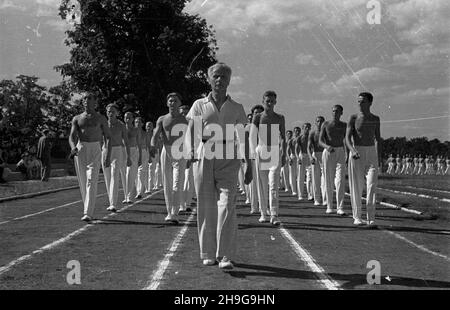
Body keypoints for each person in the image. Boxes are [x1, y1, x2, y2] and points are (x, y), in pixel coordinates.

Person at [186, 62, 252, 269]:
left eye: (224, 76)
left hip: (229, 155)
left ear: (229, 80)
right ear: (209, 79)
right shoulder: (199, 105)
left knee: (227, 204)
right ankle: (208, 253)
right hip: (204, 154)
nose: (219, 80)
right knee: (206, 206)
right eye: (216, 76)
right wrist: (189, 151)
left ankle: (225, 255)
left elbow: (243, 136)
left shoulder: (237, 108)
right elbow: (191, 131)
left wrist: (247, 162)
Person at [69, 92, 111, 222]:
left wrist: (107, 155)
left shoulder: (101, 118)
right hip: (81, 148)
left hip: (95, 148)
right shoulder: (77, 118)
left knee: (91, 179)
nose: (87, 101)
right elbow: (71, 136)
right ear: (82, 102)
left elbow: (108, 137)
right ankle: (86, 208)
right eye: (85, 99)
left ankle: (88, 212)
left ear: (95, 102)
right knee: (83, 180)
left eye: (90, 98)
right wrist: (72, 147)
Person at [250, 90, 286, 225]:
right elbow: (252, 136)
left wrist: (283, 154)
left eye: (272, 101)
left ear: (275, 102)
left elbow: (282, 137)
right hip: (261, 150)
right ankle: (263, 213)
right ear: (263, 102)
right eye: (267, 101)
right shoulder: (258, 117)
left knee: (273, 184)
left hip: (275, 151)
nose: (270, 103)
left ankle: (274, 214)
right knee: (262, 184)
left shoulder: (280, 117)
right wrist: (253, 153)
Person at [346, 92, 381, 227]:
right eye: (358, 101)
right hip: (357, 151)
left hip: (371, 152)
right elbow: (347, 138)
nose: (360, 104)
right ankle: (357, 217)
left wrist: (379, 158)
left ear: (370, 103)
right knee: (357, 185)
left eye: (363, 101)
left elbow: (378, 139)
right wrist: (353, 150)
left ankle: (371, 218)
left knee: (372, 185)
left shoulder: (376, 118)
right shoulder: (353, 118)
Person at [152, 92, 187, 224]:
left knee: (177, 183)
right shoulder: (162, 119)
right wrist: (152, 145)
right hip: (165, 151)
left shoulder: (185, 120)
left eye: (175, 101)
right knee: (167, 182)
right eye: (170, 101)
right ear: (167, 103)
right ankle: (169, 212)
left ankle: (175, 212)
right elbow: (155, 134)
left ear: (179, 103)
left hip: (180, 151)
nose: (172, 103)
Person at [102, 103, 130, 212]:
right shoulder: (103, 124)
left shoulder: (121, 125)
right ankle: (111, 201)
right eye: (109, 111)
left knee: (115, 175)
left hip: (117, 150)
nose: (110, 113)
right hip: (105, 150)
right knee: (107, 177)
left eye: (113, 111)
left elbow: (126, 142)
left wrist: (128, 157)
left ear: (117, 113)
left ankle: (113, 203)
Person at [319, 105, 347, 215]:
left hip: (340, 151)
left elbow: (347, 139)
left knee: (340, 180)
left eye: (337, 111)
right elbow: (320, 141)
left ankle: (340, 207)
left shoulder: (344, 125)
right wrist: (327, 147)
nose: (335, 113)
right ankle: (330, 206)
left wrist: (348, 153)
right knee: (328, 180)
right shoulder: (325, 124)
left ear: (341, 113)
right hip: (328, 152)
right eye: (333, 111)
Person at [248, 105, 264, 214]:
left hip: (265, 155)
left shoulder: (266, 125)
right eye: (255, 112)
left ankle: (264, 206)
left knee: (264, 182)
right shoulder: (247, 127)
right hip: (252, 155)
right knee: (253, 183)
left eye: (259, 112)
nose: (257, 114)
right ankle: (254, 206)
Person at [123, 112, 142, 203]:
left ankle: (129, 196)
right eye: (126, 117)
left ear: (132, 119)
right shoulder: (122, 128)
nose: (128, 119)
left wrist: (140, 157)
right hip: (122, 151)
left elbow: (139, 144)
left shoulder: (136, 130)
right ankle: (126, 196)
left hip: (134, 151)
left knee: (131, 174)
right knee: (124, 174)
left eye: (129, 118)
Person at [308, 116, 326, 206]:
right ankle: (317, 199)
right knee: (315, 178)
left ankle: (325, 199)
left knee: (325, 178)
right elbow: (308, 147)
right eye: (318, 121)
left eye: (321, 121)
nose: (320, 123)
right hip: (315, 155)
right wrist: (310, 157)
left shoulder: (326, 132)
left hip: (324, 155)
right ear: (315, 123)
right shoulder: (312, 133)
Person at [180, 104, 195, 212]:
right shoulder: (176, 123)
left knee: (188, 178)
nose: (184, 115)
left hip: (189, 152)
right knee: (179, 179)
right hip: (177, 153)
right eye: (182, 113)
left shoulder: (192, 123)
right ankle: (181, 204)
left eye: (186, 113)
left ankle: (187, 203)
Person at [296, 122, 313, 201]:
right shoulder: (300, 138)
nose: (307, 129)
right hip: (302, 155)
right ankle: (300, 195)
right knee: (301, 176)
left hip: (310, 156)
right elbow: (296, 149)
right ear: (303, 128)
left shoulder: (311, 136)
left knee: (310, 176)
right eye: (305, 127)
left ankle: (310, 194)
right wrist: (298, 158)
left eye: (308, 127)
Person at [135, 117, 150, 199]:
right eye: (136, 122)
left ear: (142, 124)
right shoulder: (133, 133)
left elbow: (148, 145)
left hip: (144, 152)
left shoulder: (145, 134)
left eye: (139, 122)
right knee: (134, 172)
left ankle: (139, 191)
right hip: (134, 151)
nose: (137, 123)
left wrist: (149, 156)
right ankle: (138, 189)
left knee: (141, 171)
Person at [288, 127, 300, 197]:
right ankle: (294, 190)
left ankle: (299, 190)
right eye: (296, 131)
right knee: (292, 174)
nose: (297, 132)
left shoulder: (301, 139)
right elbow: (287, 151)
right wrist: (289, 158)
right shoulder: (291, 140)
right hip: (293, 157)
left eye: (298, 131)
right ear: (294, 132)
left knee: (299, 174)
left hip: (300, 156)